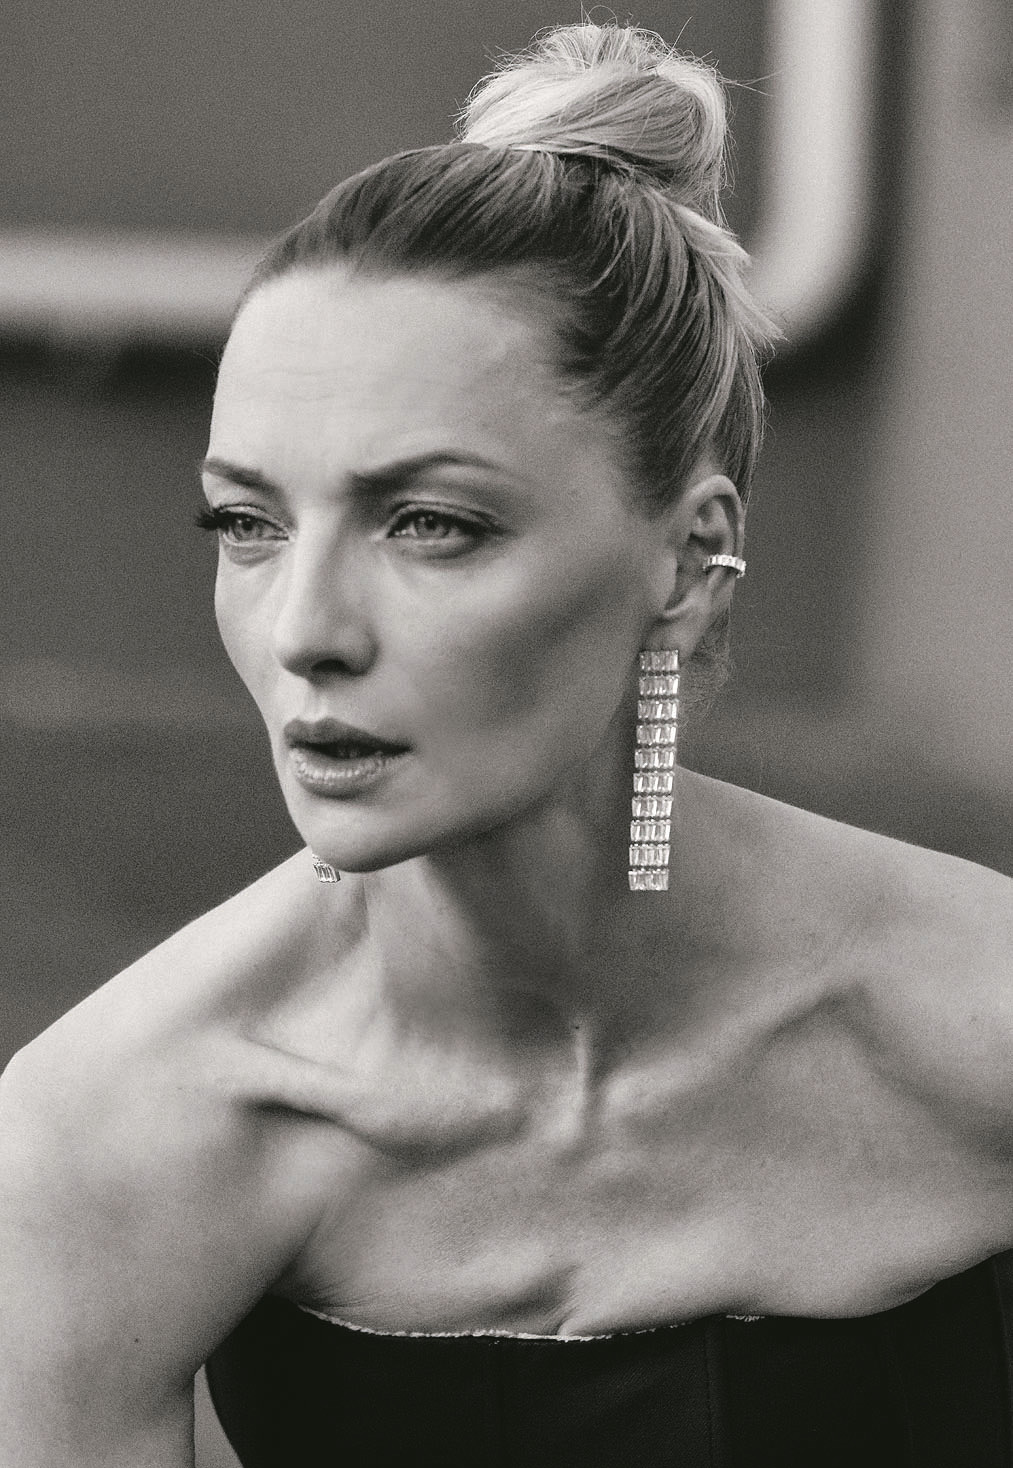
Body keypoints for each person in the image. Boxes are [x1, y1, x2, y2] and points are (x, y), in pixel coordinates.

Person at [2, 21, 1012, 1468]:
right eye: (248, 522)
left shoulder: (976, 1026)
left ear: (688, 558)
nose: (305, 630)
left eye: (431, 523)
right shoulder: (108, 1136)